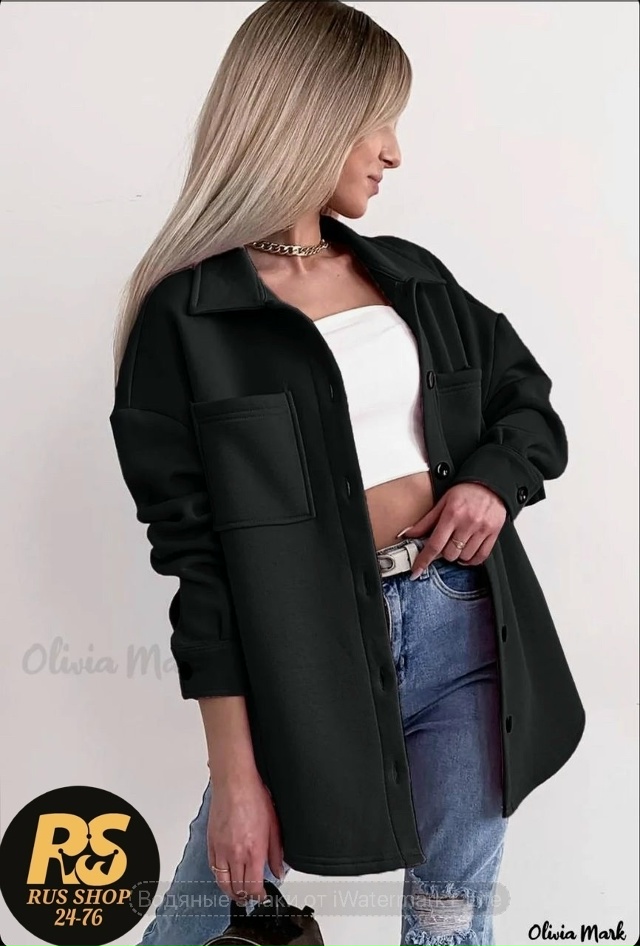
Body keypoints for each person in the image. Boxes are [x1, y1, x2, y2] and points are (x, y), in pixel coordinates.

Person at [108, 3, 585, 945]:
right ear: (311, 117)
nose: (394, 152)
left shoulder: (415, 279)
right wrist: (237, 780)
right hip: (304, 655)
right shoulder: (188, 318)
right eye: (378, 122)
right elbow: (199, 568)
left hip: (465, 631)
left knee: (449, 922)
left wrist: (492, 479)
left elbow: (525, 402)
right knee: (207, 912)